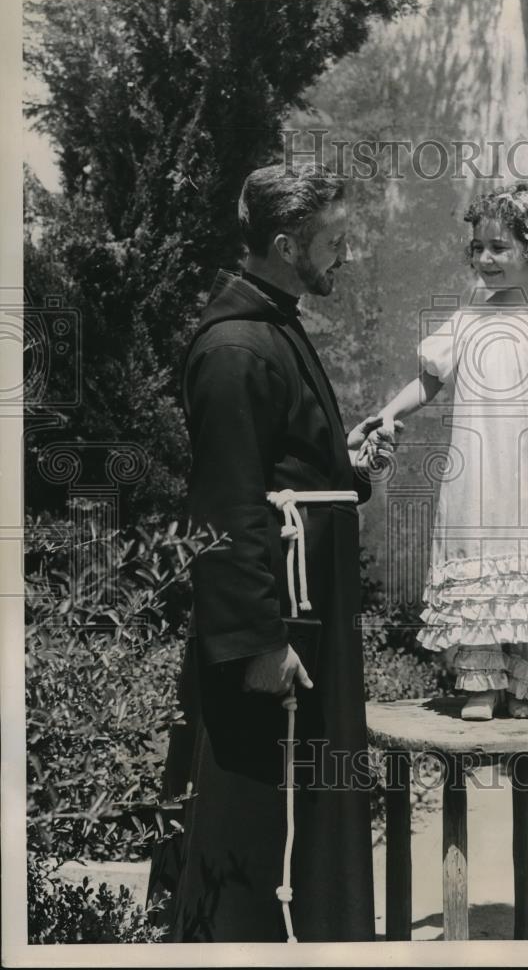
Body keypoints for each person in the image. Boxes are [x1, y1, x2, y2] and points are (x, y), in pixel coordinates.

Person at [146, 163, 393, 941]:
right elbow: (224, 509)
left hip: (305, 609)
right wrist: (257, 643)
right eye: (333, 242)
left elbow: (284, 474)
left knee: (300, 810)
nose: (343, 257)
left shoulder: (275, 325)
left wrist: (347, 472)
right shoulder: (237, 349)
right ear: (286, 245)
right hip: (276, 625)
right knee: (255, 815)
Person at [362, 183, 528, 721]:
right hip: (480, 470)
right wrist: (390, 413)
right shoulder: (466, 322)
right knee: (480, 562)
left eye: (499, 248)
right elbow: (429, 381)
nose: (485, 259)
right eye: (478, 248)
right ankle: (482, 686)